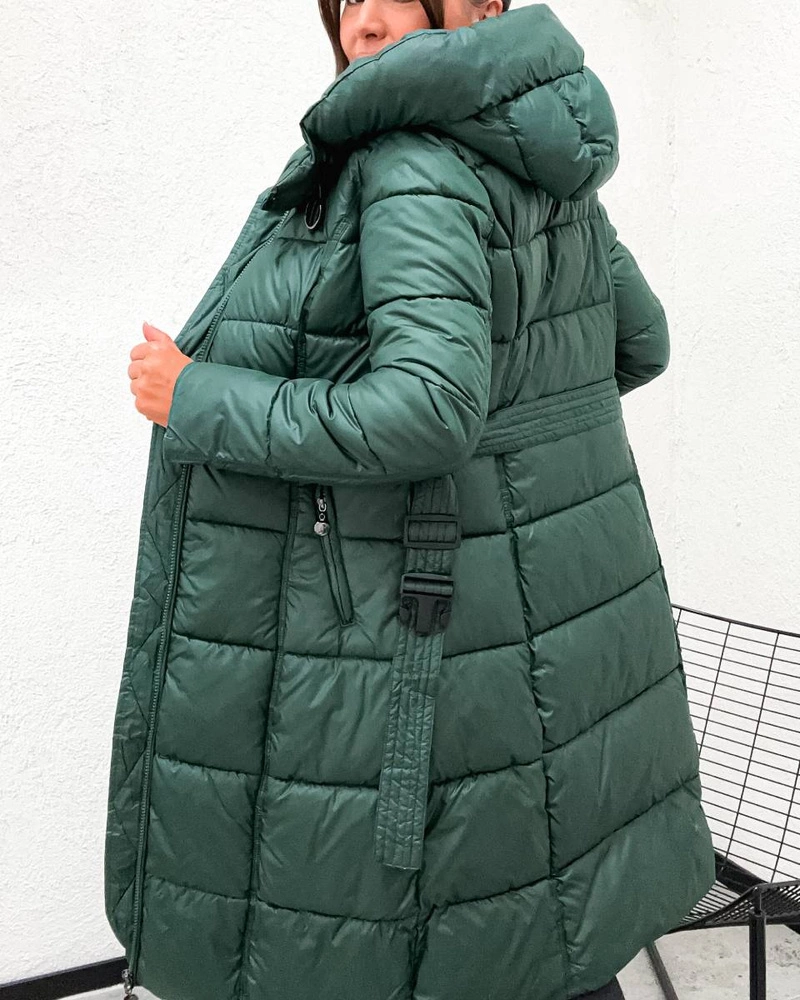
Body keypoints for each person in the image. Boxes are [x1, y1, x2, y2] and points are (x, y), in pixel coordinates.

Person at [108, 3, 717, 999]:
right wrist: (514, 461)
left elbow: (430, 409)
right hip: (552, 613)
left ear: (479, 4)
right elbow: (636, 343)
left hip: (430, 621)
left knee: (415, 931)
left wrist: (194, 397)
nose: (362, 20)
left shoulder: (411, 161)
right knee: (536, 903)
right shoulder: (540, 162)